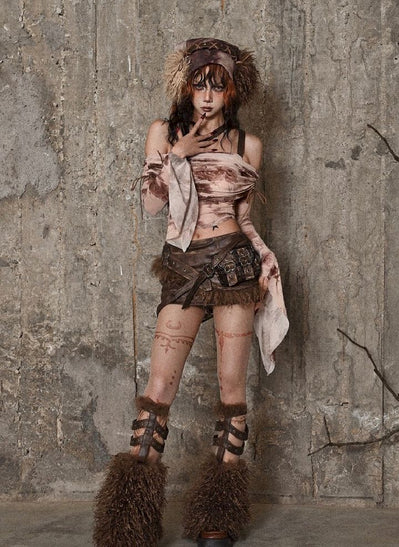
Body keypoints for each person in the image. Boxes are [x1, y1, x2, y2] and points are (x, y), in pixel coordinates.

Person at [93, 38, 289, 547]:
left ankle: (216, 518)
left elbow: (244, 219)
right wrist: (178, 154)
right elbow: (151, 204)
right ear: (186, 87)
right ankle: (129, 522)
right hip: (184, 267)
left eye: (216, 87)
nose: (206, 96)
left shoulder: (247, 145)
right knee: (158, 391)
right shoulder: (165, 132)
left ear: (231, 92)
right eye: (198, 84)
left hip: (235, 267)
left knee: (231, 392)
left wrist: (265, 263)